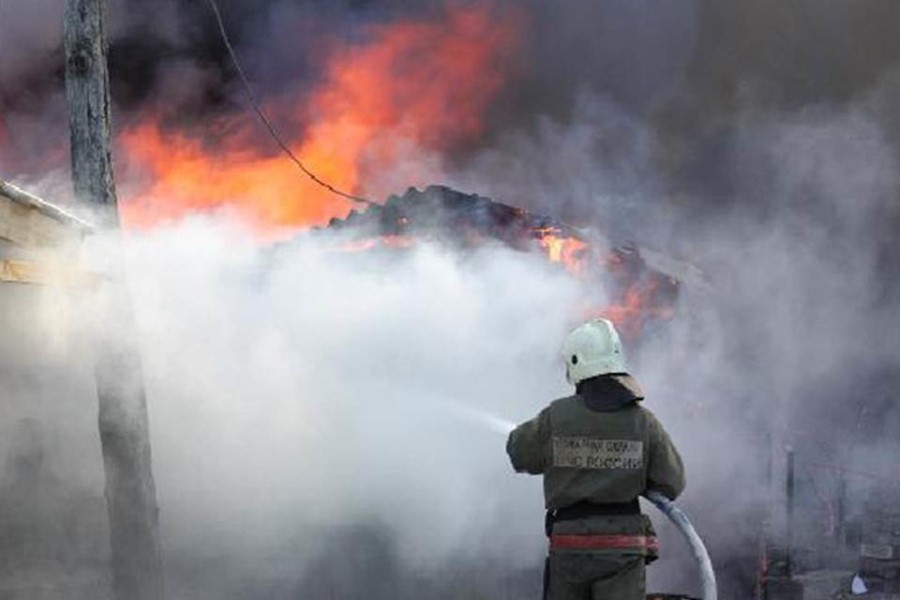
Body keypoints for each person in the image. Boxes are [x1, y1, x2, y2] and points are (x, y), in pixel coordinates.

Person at [506, 318, 685, 600]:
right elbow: (672, 483)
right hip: (624, 547)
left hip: (569, 547)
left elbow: (518, 452)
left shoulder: (556, 417)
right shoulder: (643, 422)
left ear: (575, 364)